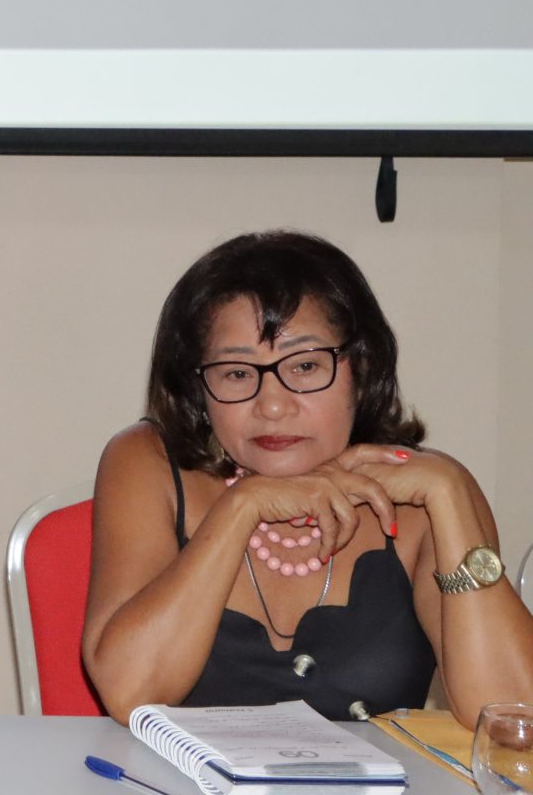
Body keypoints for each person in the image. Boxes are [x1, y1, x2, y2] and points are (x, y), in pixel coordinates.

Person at [83, 230, 533, 725]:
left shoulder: (423, 495)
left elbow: (515, 717)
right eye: (237, 373)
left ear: (361, 371)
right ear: (198, 389)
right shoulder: (148, 461)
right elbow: (131, 692)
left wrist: (451, 495)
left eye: (305, 366)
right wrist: (243, 506)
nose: (273, 405)